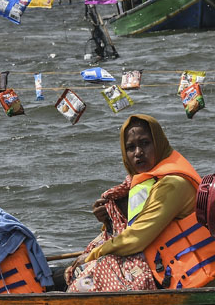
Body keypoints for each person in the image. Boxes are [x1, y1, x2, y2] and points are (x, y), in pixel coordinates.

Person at [64, 114, 201, 292]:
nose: (138, 152)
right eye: (130, 147)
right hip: (161, 262)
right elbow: (134, 226)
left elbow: (136, 238)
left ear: (159, 143)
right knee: (73, 271)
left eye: (145, 143)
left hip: (182, 273)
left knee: (87, 275)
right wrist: (108, 219)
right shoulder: (145, 181)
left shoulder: (173, 183)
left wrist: (93, 255)